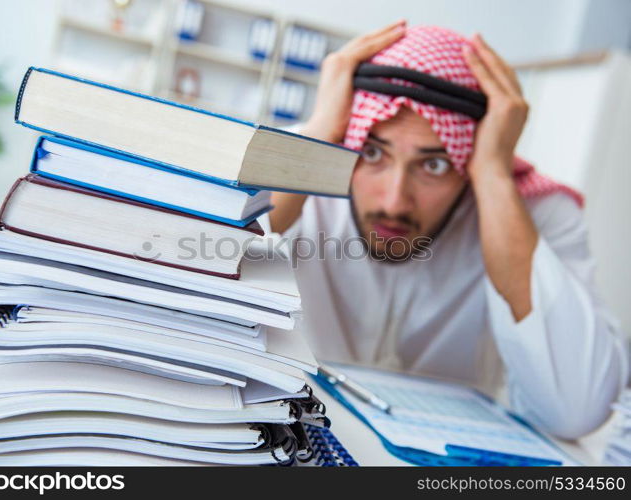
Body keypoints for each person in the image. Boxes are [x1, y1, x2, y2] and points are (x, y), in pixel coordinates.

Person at [269, 21, 628, 439]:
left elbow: (578, 409)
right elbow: (195, 280)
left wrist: (493, 177)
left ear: (470, 159)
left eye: (434, 164)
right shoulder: (299, 170)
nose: (393, 201)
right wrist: (318, 140)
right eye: (371, 151)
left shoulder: (531, 211)